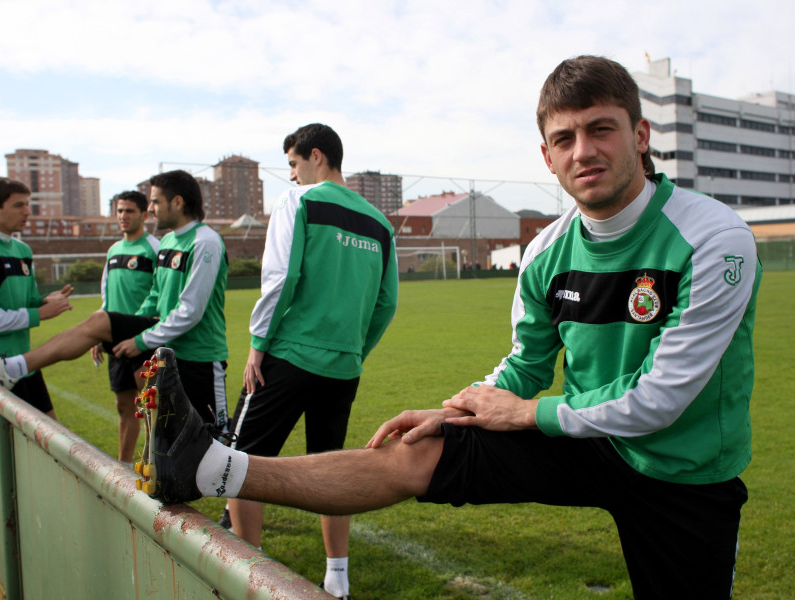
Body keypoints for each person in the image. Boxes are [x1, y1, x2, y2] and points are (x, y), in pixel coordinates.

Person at [142, 56, 761, 600]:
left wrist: (526, 415)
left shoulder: (714, 237)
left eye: (601, 129)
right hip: (588, 441)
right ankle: (211, 468)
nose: (584, 152)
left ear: (640, 134)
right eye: (564, 138)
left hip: (684, 470)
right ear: (546, 155)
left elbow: (661, 399)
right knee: (416, 448)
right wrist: (458, 409)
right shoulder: (546, 251)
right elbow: (525, 362)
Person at [225, 123, 397, 599]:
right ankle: (337, 580)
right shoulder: (380, 223)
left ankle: (248, 578)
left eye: (294, 166)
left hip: (288, 357)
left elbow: (281, 276)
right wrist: (355, 351)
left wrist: (258, 343)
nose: (293, 177)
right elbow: (386, 303)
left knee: (243, 461)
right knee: (332, 468)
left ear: (316, 156)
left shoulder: (298, 202)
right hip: (344, 367)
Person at [0, 170, 230, 431]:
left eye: (154, 202)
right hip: (166, 344)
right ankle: (14, 367)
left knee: (212, 441)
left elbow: (190, 311)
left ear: (177, 202)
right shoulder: (167, 241)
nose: (150, 209)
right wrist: (123, 327)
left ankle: (14, 366)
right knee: (100, 323)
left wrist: (139, 339)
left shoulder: (205, 242)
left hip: (198, 355)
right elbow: (156, 295)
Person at [91, 191, 160, 464]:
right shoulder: (113, 251)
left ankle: (156, 465)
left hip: (143, 337)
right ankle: (123, 466)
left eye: (129, 211)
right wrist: (99, 334)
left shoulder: (155, 248)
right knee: (124, 406)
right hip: (114, 337)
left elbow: (163, 292)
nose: (123, 216)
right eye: (119, 210)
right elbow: (106, 299)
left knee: (149, 407)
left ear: (144, 215)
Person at [0, 178, 74, 416]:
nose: (27, 211)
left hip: (27, 363)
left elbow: (27, 302)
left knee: (52, 435)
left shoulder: (23, 250)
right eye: (19, 205)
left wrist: (44, 302)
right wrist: (37, 314)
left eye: (27, 204)